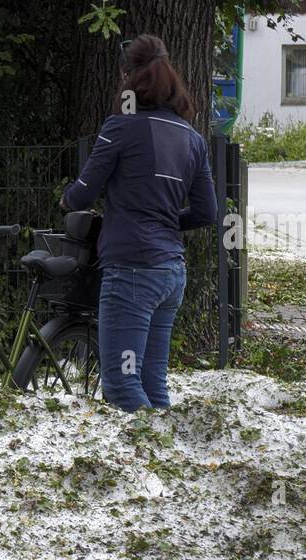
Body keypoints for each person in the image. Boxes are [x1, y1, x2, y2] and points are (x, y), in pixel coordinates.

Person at [59, 34, 217, 412]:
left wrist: (67, 199)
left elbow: (82, 194)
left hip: (132, 271)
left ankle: (152, 467)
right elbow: (207, 212)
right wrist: (163, 220)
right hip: (171, 273)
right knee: (152, 383)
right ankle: (168, 464)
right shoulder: (192, 139)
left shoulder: (121, 127)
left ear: (128, 77)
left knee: (121, 384)